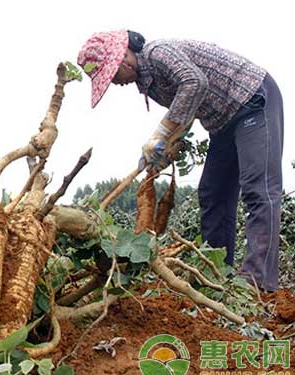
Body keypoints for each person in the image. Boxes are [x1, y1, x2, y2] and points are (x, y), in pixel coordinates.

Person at [78, 30, 283, 292]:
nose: (114, 84)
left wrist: (161, 133)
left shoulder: (157, 52)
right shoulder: (148, 83)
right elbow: (186, 109)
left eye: (112, 75)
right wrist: (165, 149)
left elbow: (195, 83)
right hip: (222, 122)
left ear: (124, 59)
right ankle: (216, 275)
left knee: (259, 189)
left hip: (251, 100)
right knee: (212, 194)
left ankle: (257, 281)